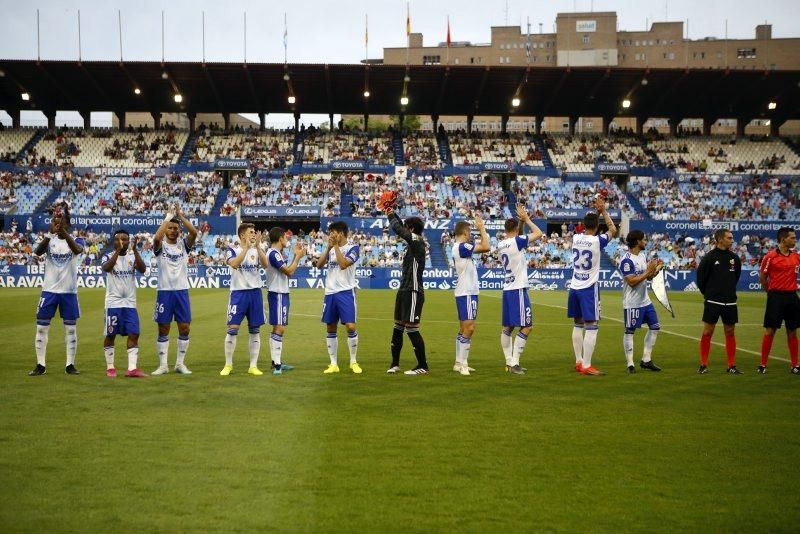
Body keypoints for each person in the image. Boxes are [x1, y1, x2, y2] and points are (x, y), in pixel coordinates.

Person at [29, 205, 85, 376]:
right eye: (54, 221)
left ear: (67, 224)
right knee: (41, 328)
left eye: (61, 222)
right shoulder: (49, 240)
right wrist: (49, 234)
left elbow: (77, 250)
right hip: (49, 291)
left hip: (69, 293)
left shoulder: (78, 241)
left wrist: (64, 233)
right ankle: (40, 365)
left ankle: (70, 365)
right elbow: (37, 252)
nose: (57, 224)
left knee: (70, 329)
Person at [568, 196, 618, 376]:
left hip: (574, 286)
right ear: (597, 227)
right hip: (589, 288)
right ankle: (587, 365)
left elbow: (588, 228)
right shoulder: (598, 241)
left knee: (577, 323)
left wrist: (596, 213)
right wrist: (603, 210)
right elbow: (613, 229)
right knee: (592, 324)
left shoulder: (575, 237)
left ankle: (579, 361)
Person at [151, 204, 198, 376]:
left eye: (175, 228)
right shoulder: (160, 246)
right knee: (163, 328)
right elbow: (157, 237)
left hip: (181, 291)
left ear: (179, 231)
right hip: (164, 292)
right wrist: (168, 217)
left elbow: (194, 233)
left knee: (184, 328)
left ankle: (179, 363)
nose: (172, 230)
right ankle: (163, 365)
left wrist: (180, 216)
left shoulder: (183, 246)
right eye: (170, 228)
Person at [497, 205, 544, 374]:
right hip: (518, 289)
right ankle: (515, 362)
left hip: (508, 288)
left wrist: (520, 223)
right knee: (527, 326)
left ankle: (509, 361)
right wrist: (527, 219)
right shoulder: (516, 242)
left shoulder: (501, 244)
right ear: (516, 229)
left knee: (508, 327)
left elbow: (519, 239)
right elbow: (539, 233)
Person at [383, 206, 429, 375]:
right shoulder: (414, 241)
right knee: (398, 327)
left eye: (406, 227)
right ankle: (395, 364)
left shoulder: (417, 240)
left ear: (411, 229)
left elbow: (398, 229)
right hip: (404, 290)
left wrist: (389, 214)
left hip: (413, 291)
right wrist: (391, 211)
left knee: (411, 327)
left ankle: (423, 366)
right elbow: (401, 226)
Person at [220, 223, 268, 376]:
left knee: (255, 330)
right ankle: (228, 365)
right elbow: (234, 264)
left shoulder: (257, 250)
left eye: (255, 232)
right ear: (242, 235)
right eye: (251, 232)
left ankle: (253, 366)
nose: (254, 235)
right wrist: (247, 248)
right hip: (238, 294)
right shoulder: (232, 250)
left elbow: (266, 265)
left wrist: (258, 247)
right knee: (232, 329)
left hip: (255, 293)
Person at [316, 221, 362, 374]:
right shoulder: (330, 248)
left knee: (351, 326)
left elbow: (343, 264)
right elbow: (319, 265)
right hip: (330, 293)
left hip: (346, 292)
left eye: (333, 232)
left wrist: (335, 247)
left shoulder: (353, 248)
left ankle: (353, 361)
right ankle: (333, 364)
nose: (331, 235)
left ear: (341, 233)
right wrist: (329, 247)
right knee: (330, 327)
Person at [101, 229, 147, 378]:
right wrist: (118, 251)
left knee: (134, 332)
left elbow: (143, 269)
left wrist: (135, 251)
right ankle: (110, 367)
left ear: (129, 241)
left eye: (125, 239)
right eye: (118, 239)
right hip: (113, 303)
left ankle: (132, 369)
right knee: (110, 334)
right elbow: (106, 268)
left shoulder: (132, 257)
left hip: (130, 303)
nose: (121, 241)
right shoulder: (108, 256)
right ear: (113, 242)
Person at [696, 228, 742, 374]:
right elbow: (701, 280)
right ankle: (703, 364)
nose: (732, 240)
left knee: (730, 332)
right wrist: (710, 294)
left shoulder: (734, 258)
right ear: (720, 239)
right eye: (729, 238)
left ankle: (731, 365)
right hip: (713, 301)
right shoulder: (709, 258)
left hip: (730, 301)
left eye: (732, 237)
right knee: (708, 332)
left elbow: (736, 277)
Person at [618, 230, 662, 374]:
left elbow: (646, 278)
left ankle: (646, 360)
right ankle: (630, 364)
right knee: (630, 331)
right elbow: (631, 282)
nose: (645, 242)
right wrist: (647, 272)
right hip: (632, 302)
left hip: (645, 300)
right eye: (643, 239)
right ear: (637, 241)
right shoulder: (626, 260)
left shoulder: (642, 256)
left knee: (655, 327)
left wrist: (654, 272)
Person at [451, 215, 490, 375]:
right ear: (465, 232)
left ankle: (458, 362)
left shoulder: (460, 247)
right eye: (470, 231)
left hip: (466, 292)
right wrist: (481, 227)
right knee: (470, 328)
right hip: (467, 292)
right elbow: (486, 246)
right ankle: (464, 364)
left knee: (463, 329)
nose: (471, 234)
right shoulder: (461, 247)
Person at [758, 227, 800, 374]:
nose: (795, 240)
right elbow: (763, 278)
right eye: (792, 238)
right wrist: (770, 293)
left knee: (792, 331)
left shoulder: (796, 256)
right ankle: (763, 364)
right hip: (775, 297)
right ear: (783, 239)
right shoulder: (770, 257)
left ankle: (795, 364)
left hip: (792, 297)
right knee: (770, 331)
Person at [265, 227, 306, 376]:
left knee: (277, 327)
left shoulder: (275, 253)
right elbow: (289, 272)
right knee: (280, 328)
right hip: (278, 293)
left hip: (278, 293)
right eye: (286, 237)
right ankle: (277, 365)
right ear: (280, 238)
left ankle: (276, 362)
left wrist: (296, 256)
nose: (287, 240)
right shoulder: (274, 254)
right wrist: (297, 257)